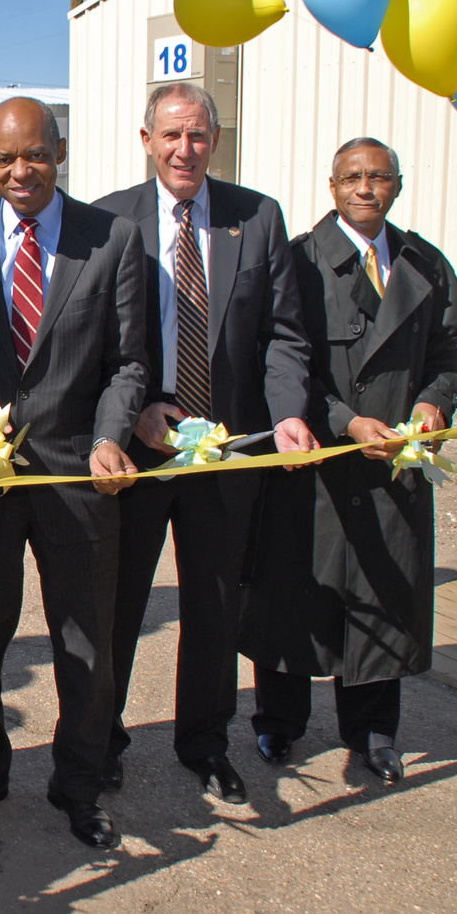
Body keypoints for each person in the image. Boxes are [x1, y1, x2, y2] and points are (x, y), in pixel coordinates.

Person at [0, 96, 148, 850]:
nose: (21, 171)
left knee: (86, 646)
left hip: (77, 478)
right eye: (4, 159)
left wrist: (111, 436)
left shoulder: (112, 239)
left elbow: (128, 362)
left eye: (36, 154)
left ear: (60, 151)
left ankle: (79, 785)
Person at [94, 83, 315, 804]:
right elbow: (91, 342)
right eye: (171, 136)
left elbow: (284, 335)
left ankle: (206, 742)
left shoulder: (257, 218)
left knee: (216, 606)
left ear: (214, 142)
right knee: (118, 605)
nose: (184, 149)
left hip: (229, 452)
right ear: (146, 139)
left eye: (197, 137)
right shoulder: (106, 220)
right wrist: (129, 418)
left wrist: (286, 413)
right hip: (140, 452)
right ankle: (102, 741)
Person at [240, 138, 457, 784]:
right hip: (312, 463)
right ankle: (278, 724)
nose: (365, 189)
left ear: (396, 184)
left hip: (392, 471)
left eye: (378, 178)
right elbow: (280, 361)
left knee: (383, 598)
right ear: (332, 184)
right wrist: (343, 421)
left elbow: (448, 358)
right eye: (352, 177)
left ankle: (373, 733)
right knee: (291, 598)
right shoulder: (298, 262)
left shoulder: (425, 263)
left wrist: (433, 405)